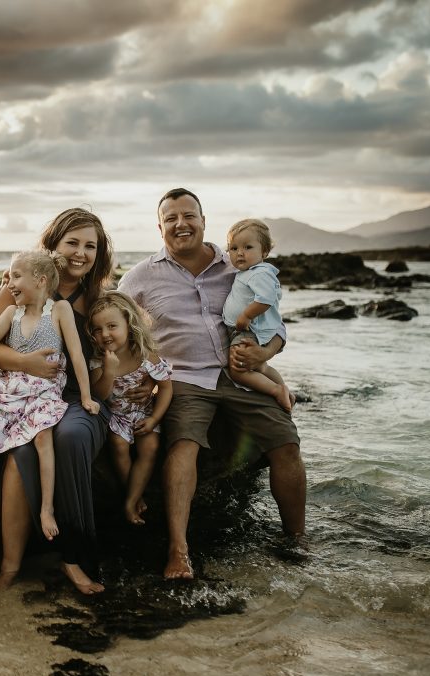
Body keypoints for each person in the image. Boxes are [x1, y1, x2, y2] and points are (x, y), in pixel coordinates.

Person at [118, 188, 306, 580]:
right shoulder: (139, 277)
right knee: (184, 445)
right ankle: (178, 553)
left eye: (189, 215)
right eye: (171, 218)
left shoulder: (237, 265)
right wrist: (138, 378)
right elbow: (117, 331)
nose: (181, 224)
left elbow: (273, 321)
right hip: (183, 378)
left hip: (240, 374)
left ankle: (297, 541)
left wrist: (266, 357)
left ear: (204, 222)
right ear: (160, 227)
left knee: (286, 441)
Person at [0, 208, 115, 594]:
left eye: (90, 245)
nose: (81, 253)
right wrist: (28, 363)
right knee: (20, 453)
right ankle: (10, 566)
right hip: (29, 394)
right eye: (72, 242)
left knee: (71, 438)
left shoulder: (99, 299)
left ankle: (76, 558)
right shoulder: (23, 287)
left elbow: (124, 350)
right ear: (53, 245)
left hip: (80, 397)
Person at [0, 250, 100, 543]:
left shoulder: (58, 311)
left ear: (41, 280)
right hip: (11, 389)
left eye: (17, 276)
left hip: (46, 389)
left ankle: (46, 510)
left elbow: (78, 355)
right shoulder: (11, 313)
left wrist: (85, 396)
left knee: (43, 438)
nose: (10, 283)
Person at [87, 291, 172, 526]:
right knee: (118, 444)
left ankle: (131, 500)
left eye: (112, 326)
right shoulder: (98, 360)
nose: (105, 334)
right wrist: (109, 371)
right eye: (97, 329)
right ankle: (133, 496)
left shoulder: (145, 355)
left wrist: (155, 419)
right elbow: (99, 396)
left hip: (144, 412)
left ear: (129, 323)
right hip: (116, 416)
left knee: (151, 446)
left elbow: (166, 388)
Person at [223, 218, 292, 412]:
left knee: (238, 370)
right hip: (243, 329)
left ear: (265, 252)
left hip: (247, 330)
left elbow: (266, 298)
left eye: (248, 247)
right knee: (261, 367)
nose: (240, 253)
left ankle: (276, 391)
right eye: (233, 248)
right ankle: (285, 390)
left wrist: (246, 316)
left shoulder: (259, 273)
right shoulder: (249, 271)